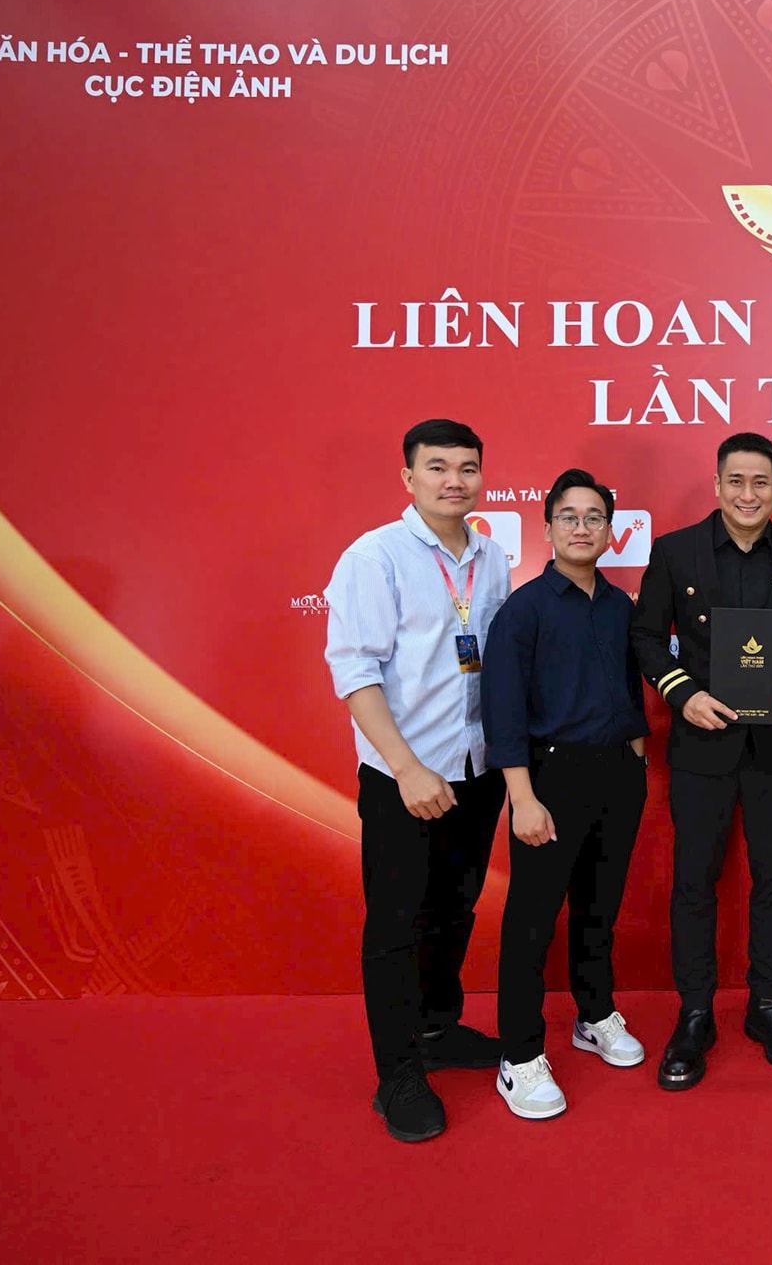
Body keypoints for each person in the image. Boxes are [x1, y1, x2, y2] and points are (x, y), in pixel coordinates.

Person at [323, 418, 510, 1143]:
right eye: (437, 467)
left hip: (475, 769)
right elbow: (355, 671)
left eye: (467, 468)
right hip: (404, 775)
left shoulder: (491, 556)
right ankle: (397, 1073)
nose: (453, 481)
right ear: (408, 478)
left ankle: (437, 1028)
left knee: (454, 909)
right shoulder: (376, 557)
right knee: (395, 925)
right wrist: (406, 768)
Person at [631, 433, 772, 1090]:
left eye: (761, 482)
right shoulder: (674, 551)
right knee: (694, 883)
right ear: (717, 485)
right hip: (701, 744)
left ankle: (767, 1005)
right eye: (736, 481)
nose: (748, 494)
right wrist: (681, 694)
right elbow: (646, 636)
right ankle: (694, 1015)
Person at [480, 469, 651, 1121]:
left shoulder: (620, 607)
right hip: (549, 781)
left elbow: (631, 688)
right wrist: (522, 797)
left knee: (598, 908)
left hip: (619, 776)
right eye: (569, 517)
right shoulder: (523, 611)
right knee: (531, 920)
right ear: (547, 526)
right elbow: (503, 713)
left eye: (594, 518)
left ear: (610, 531)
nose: (582, 528)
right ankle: (520, 1055)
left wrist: (636, 753)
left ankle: (594, 1014)